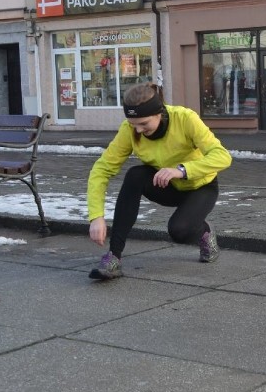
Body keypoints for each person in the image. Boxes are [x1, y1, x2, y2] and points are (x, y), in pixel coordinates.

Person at [87, 82, 232, 280]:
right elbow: (101, 169)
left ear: (159, 112)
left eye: (144, 124)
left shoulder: (185, 119)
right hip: (166, 187)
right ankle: (113, 258)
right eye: (133, 124)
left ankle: (204, 231)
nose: (137, 131)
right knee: (134, 175)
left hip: (201, 186)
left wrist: (181, 170)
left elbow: (223, 156)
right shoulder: (129, 130)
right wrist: (96, 215)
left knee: (179, 230)